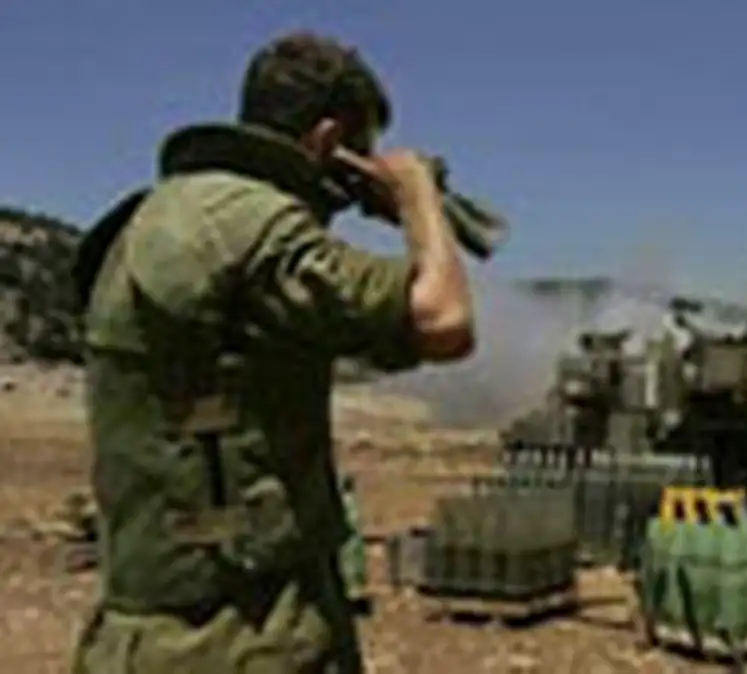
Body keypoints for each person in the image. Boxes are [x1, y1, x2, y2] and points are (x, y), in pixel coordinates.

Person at [70, 31, 475, 673]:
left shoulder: (147, 219)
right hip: (253, 634)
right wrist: (416, 197)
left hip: (138, 634)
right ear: (327, 139)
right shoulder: (264, 230)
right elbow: (445, 320)